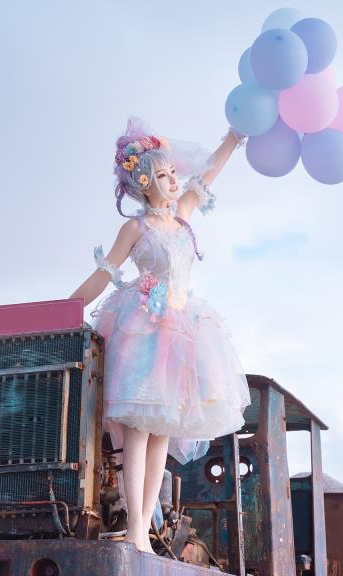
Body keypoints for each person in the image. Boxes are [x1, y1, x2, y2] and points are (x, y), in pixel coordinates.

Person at [69, 117, 251, 554]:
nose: (173, 181)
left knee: (162, 432)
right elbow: (104, 274)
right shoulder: (136, 228)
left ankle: (144, 530)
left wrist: (233, 138)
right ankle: (135, 527)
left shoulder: (183, 216)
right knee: (137, 430)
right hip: (143, 330)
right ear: (145, 182)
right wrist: (64, 308)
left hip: (183, 332)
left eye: (173, 173)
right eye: (164, 175)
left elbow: (207, 175)